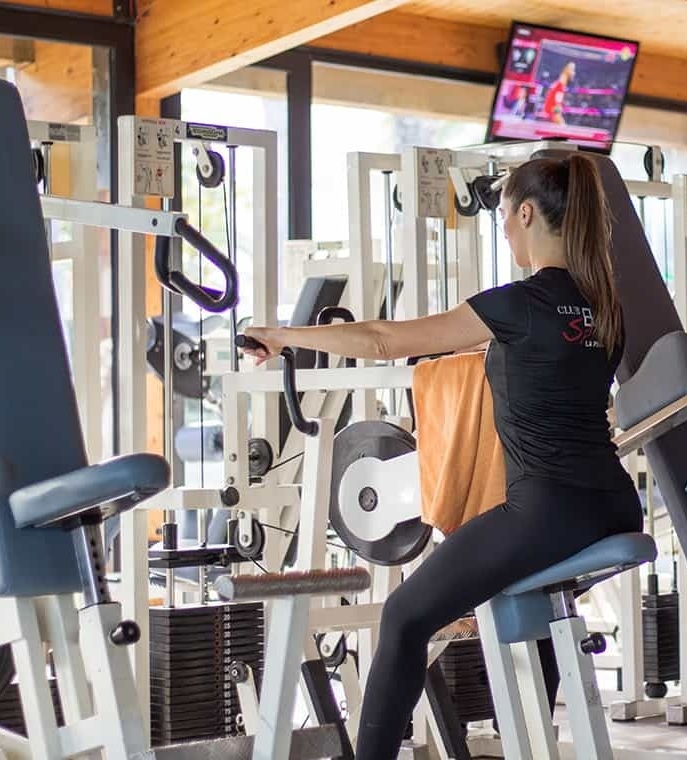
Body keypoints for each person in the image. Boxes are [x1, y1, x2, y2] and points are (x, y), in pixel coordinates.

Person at [239, 153, 643, 760]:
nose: (505, 228)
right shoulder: (606, 306)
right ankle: (534, 746)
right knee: (527, 603)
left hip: (548, 509)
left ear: (527, 213)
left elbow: (384, 340)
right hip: (612, 504)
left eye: (506, 214)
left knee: (403, 615)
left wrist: (283, 336)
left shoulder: (519, 304)